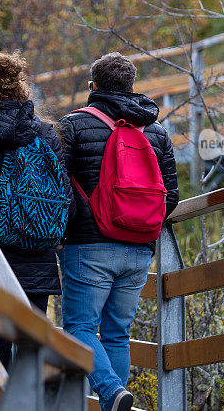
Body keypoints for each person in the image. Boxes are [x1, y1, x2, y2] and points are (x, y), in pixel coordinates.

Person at [58, 52, 179, 411]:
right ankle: (117, 402)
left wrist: (76, 226)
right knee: (117, 333)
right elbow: (170, 196)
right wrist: (137, 223)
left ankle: (111, 392)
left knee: (80, 328)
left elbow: (57, 189)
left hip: (87, 246)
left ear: (93, 86)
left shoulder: (72, 126)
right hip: (139, 248)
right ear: (131, 85)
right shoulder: (156, 132)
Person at [0, 51, 72, 366]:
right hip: (37, 256)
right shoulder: (46, 134)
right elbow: (65, 197)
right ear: (22, 90)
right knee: (32, 345)